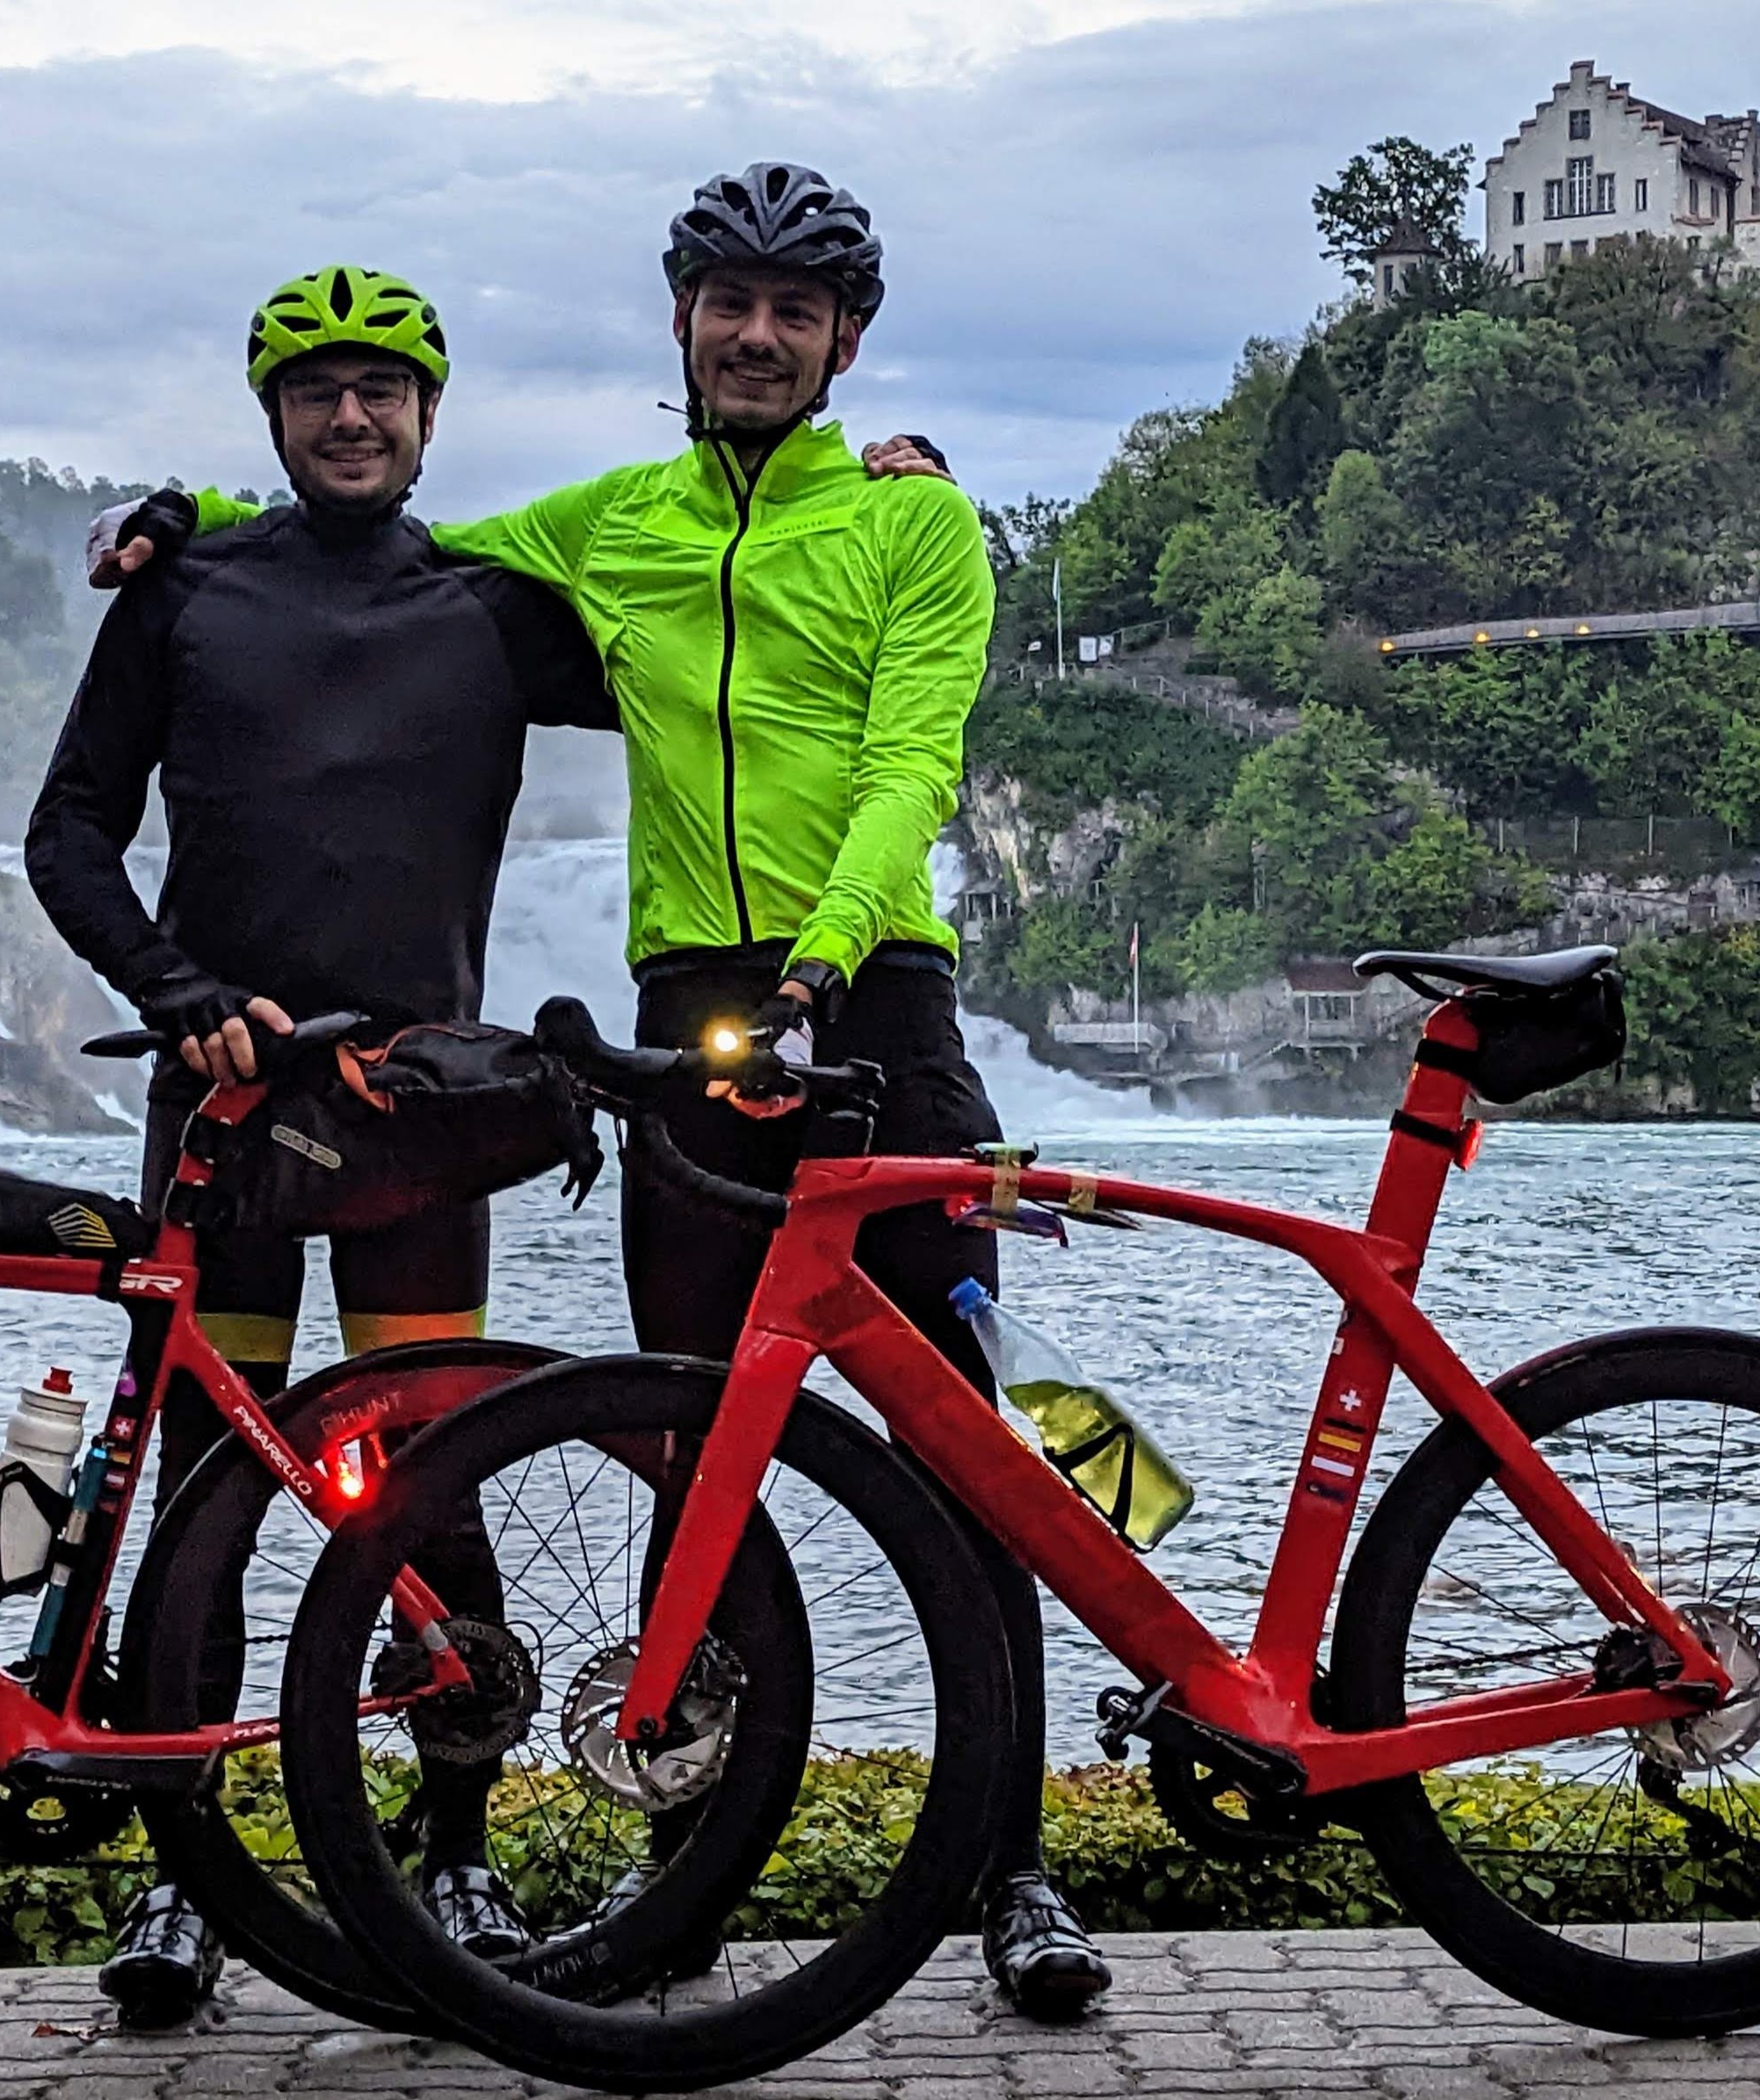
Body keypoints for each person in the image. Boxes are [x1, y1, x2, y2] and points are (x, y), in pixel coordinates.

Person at [91, 164, 1112, 2022]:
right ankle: (685, 1865)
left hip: (873, 1004)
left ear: (845, 344)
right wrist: (195, 514)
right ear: (681, 321)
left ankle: (1016, 1869)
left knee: (972, 1454)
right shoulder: (614, 524)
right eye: (730, 301)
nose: (757, 334)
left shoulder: (916, 527)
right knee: (677, 1447)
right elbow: (387, 553)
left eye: (796, 313)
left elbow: (909, 766)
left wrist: (822, 961)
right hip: (688, 1029)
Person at [25, 265, 618, 2029]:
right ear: (269, 417)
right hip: (220, 1100)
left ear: (431, 415)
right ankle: (178, 1876)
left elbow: (733, 633)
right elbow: (67, 831)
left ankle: (455, 1849)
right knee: (203, 1493)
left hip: (412, 1108)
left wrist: (868, 478)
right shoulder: (185, 590)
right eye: (315, 392)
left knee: (435, 1472)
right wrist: (174, 982)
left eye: (383, 390)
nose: (350, 416)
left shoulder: (499, 608)